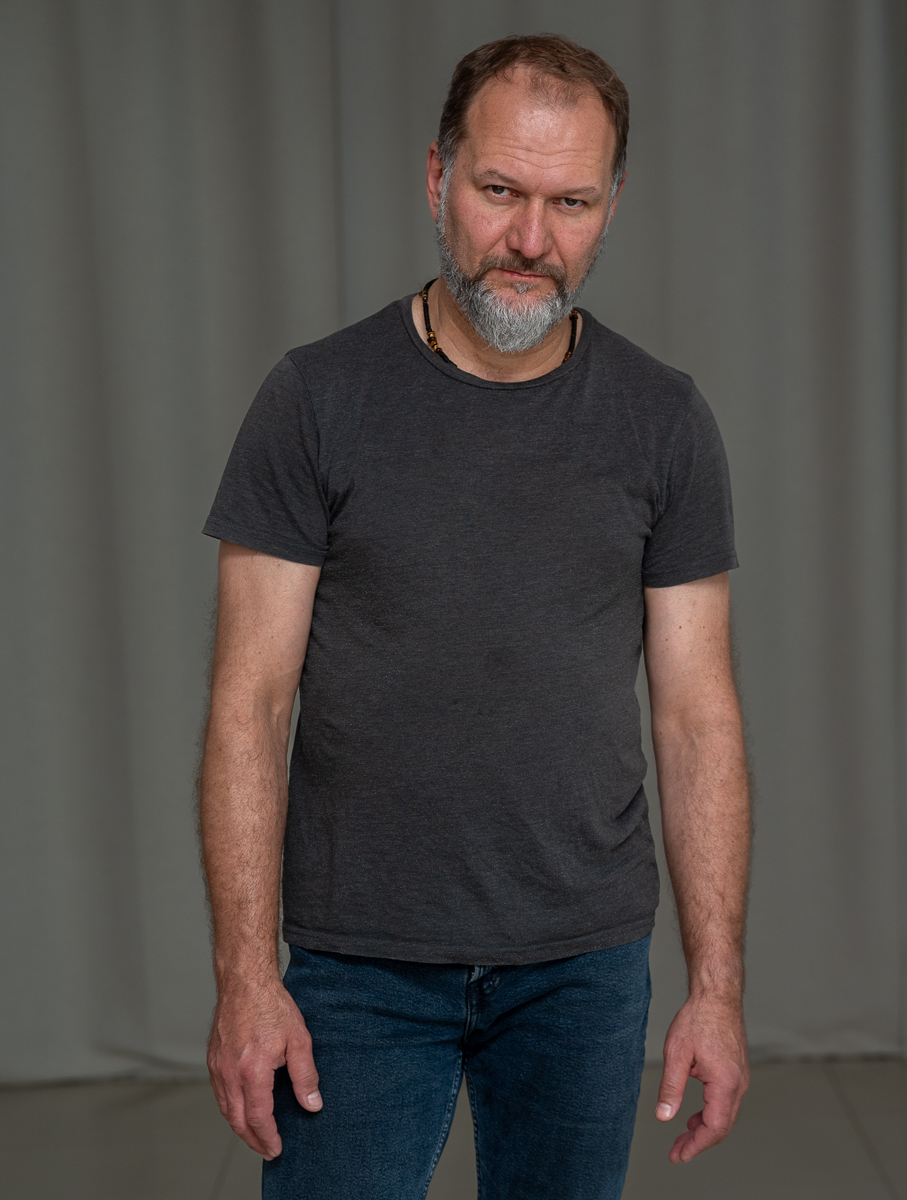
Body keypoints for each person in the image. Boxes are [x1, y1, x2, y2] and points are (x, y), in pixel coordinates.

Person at [199, 33, 750, 1200]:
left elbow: (699, 718)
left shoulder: (664, 421)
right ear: (437, 176)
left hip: (583, 966)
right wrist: (246, 980)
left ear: (610, 205)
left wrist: (717, 988)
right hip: (357, 968)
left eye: (571, 202)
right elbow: (248, 706)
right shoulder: (316, 400)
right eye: (500, 190)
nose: (531, 240)